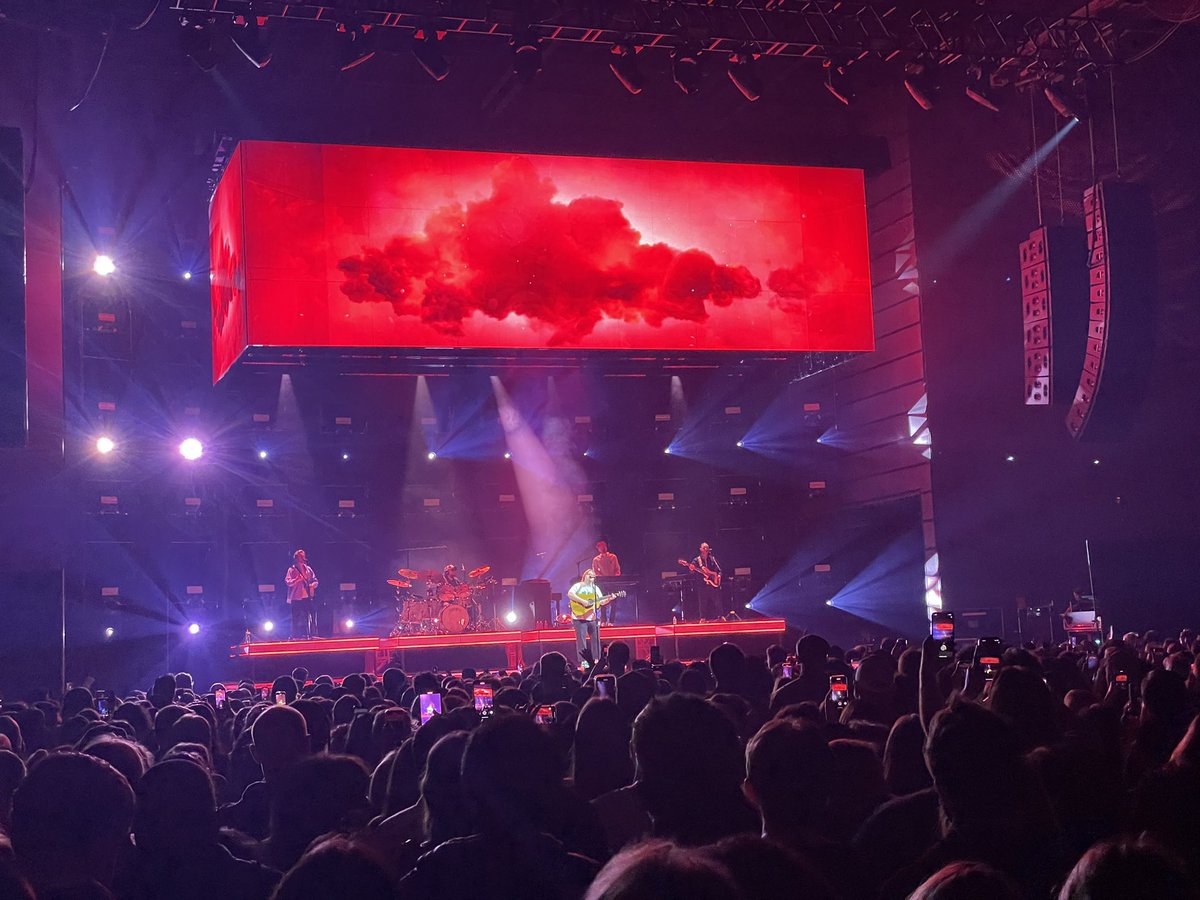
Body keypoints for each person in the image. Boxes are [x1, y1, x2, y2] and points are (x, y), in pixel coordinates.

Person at [568, 569, 616, 669]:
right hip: (579, 617)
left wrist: (609, 598)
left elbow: (601, 602)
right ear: (585, 576)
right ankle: (583, 662)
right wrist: (583, 601)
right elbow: (570, 594)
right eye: (589, 576)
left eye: (593, 576)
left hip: (592, 618)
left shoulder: (595, 588)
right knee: (581, 640)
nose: (591, 578)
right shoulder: (578, 586)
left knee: (596, 639)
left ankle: (596, 660)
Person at [285, 550, 319, 640]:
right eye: (300, 556)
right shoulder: (291, 570)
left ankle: (310, 634)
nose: (302, 558)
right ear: (296, 558)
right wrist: (296, 580)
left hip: (306, 596)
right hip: (296, 597)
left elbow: (315, 580)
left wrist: (312, 585)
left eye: (303, 556)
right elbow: (288, 582)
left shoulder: (308, 569)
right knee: (295, 617)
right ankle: (295, 635)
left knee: (309, 614)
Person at [691, 542, 723, 622]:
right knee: (702, 601)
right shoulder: (696, 560)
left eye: (707, 548)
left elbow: (719, 570)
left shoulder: (712, 558)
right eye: (704, 548)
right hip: (702, 583)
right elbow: (693, 570)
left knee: (717, 600)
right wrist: (691, 568)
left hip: (712, 583)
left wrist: (718, 576)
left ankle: (720, 616)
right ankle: (702, 618)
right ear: (701, 549)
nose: (706, 549)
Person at [592, 541, 621, 625]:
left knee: (614, 601)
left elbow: (617, 569)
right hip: (602, 582)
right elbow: (595, 571)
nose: (603, 548)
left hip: (613, 582)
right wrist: (603, 577)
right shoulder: (596, 559)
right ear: (598, 549)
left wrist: (615, 576)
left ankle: (611, 621)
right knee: (603, 601)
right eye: (601, 547)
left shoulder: (613, 557)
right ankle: (603, 620)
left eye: (604, 546)